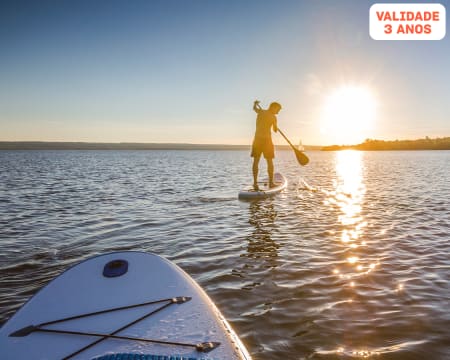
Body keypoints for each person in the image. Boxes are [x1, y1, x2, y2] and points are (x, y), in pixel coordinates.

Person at [251, 100, 281, 190]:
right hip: (264, 141)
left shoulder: (262, 112)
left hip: (260, 140)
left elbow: (254, 108)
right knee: (268, 161)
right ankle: (269, 183)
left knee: (259, 161)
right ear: (273, 107)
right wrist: (275, 124)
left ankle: (256, 183)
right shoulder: (270, 115)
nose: (278, 112)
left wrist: (255, 104)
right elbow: (275, 130)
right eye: (278, 110)